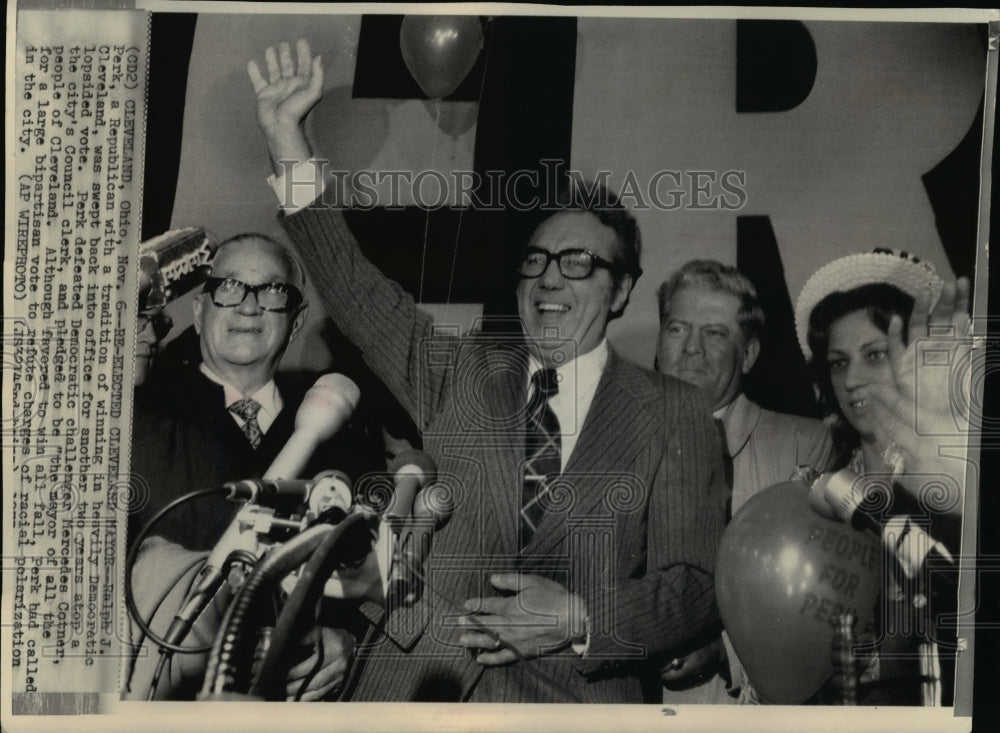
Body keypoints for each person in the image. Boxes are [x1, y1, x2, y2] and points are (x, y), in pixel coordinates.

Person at [245, 39, 727, 703]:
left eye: (578, 262)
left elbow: (696, 584)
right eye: (537, 260)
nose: (550, 278)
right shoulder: (459, 371)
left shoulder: (676, 412)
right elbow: (353, 288)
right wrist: (284, 134)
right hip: (411, 690)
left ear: (621, 291)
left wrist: (580, 618)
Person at [794, 248, 971, 705]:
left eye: (874, 355)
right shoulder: (817, 489)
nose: (853, 379)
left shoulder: (957, 483)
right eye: (838, 362)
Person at [129, 233, 381, 551]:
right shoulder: (134, 422)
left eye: (273, 291)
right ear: (198, 312)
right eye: (229, 287)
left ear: (296, 320)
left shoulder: (344, 436)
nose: (249, 307)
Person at [655, 259, 834, 703]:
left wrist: (725, 653)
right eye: (677, 329)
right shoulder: (614, 440)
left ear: (749, 354)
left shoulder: (803, 445)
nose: (690, 348)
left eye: (714, 333)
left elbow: (821, 603)